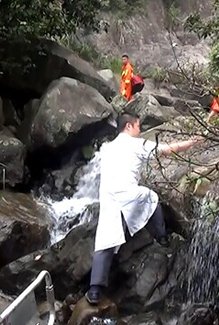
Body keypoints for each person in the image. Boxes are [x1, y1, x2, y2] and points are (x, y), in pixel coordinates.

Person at [86, 112, 202, 305]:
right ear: (129, 126)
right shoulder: (136, 144)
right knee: (151, 197)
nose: (140, 131)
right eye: (138, 126)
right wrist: (191, 142)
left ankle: (94, 291)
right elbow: (166, 150)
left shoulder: (108, 148)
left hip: (107, 198)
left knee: (105, 241)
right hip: (128, 196)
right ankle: (162, 236)